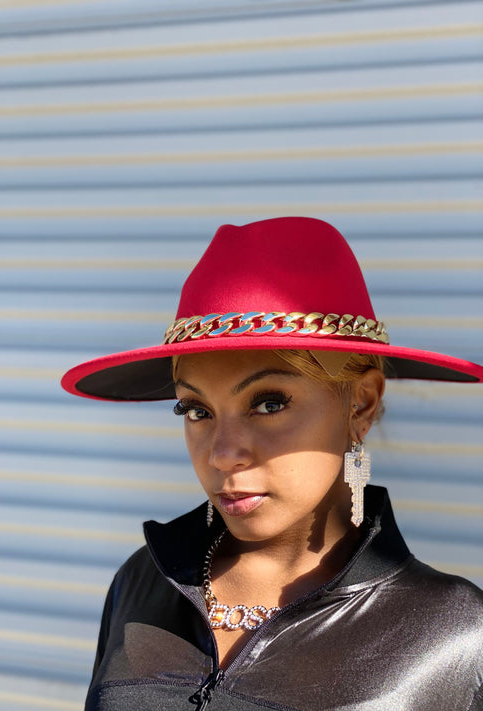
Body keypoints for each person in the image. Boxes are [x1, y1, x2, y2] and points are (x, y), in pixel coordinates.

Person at [61, 217, 483, 711]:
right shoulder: (142, 583)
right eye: (196, 410)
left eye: (269, 403)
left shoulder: (455, 635)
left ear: (361, 404)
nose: (222, 453)